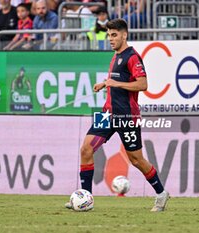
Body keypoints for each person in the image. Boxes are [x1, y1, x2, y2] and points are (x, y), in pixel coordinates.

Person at [65, 19, 170, 212]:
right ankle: (85, 198)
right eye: (109, 35)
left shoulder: (133, 57)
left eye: (114, 35)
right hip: (107, 113)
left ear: (124, 35)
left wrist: (115, 84)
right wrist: (105, 83)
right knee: (86, 149)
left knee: (136, 159)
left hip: (127, 116)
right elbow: (117, 80)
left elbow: (142, 84)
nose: (110, 39)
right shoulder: (115, 56)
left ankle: (161, 193)